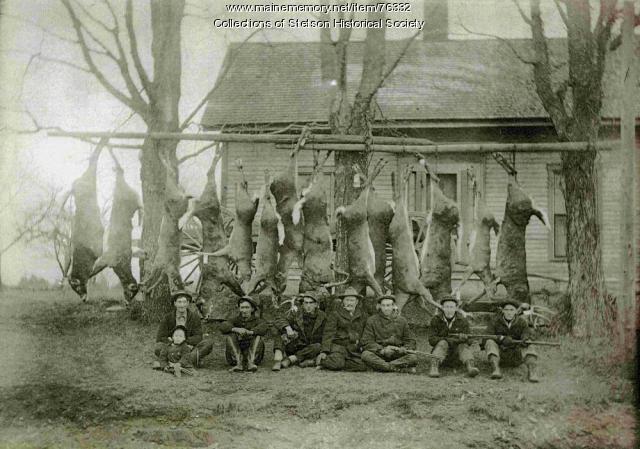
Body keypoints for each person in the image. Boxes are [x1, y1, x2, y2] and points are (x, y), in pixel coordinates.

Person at [153, 290, 213, 370]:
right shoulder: (167, 318)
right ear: (175, 303)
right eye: (179, 302)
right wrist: (172, 343)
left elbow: (198, 336)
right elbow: (160, 337)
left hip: (189, 348)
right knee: (158, 347)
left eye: (184, 302)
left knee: (208, 343)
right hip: (172, 348)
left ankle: (173, 362)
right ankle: (190, 361)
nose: (182, 305)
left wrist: (185, 342)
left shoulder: (194, 317)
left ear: (188, 303)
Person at [484, 299, 539, 382]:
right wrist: (501, 339)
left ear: (516, 311)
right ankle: (496, 370)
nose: (509, 312)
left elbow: (527, 333)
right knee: (489, 342)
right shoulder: (495, 321)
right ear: (502, 311)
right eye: (506, 310)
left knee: (530, 344)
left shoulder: (522, 322)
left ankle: (532, 373)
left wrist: (525, 338)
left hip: (516, 356)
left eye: (511, 310)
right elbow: (486, 337)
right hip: (500, 355)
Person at [361, 295, 418, 373]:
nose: (386, 308)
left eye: (388, 305)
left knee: (413, 357)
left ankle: (382, 367)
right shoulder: (371, 320)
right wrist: (382, 350)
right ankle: (398, 369)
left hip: (397, 355)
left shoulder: (402, 320)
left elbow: (410, 340)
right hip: (379, 354)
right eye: (383, 305)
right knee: (365, 355)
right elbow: (367, 341)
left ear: (393, 306)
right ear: (379, 306)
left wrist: (404, 349)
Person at [316, 288, 368, 372]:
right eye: (347, 300)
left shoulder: (362, 315)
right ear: (343, 301)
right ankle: (322, 361)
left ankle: (336, 363)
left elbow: (365, 333)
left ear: (357, 302)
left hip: (353, 349)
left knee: (362, 366)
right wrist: (324, 351)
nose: (349, 303)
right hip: (338, 347)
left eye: (352, 300)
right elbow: (328, 333)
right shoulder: (335, 314)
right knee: (338, 363)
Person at [272, 292, 327, 371]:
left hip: (310, 348)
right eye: (306, 303)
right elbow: (279, 319)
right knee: (281, 331)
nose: (308, 305)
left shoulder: (323, 316)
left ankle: (291, 359)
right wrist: (288, 328)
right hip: (295, 345)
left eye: (311, 303)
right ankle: (277, 360)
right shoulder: (296, 313)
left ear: (316, 304)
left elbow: (326, 333)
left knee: (318, 346)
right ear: (303, 304)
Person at [427, 295, 479, 378]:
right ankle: (434, 368)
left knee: (463, 345)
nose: (449, 310)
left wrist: (465, 338)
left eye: (451, 307)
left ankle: (470, 367)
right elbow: (431, 340)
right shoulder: (436, 320)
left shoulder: (463, 321)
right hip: (441, 356)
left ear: (455, 308)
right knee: (443, 342)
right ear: (442, 308)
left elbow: (470, 340)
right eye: (446, 307)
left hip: (458, 357)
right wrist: (448, 340)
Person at [220, 296, 269, 373]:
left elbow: (264, 327)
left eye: (247, 307)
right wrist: (236, 329)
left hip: (255, 357)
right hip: (234, 358)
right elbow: (223, 325)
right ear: (239, 309)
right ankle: (238, 363)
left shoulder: (258, 320)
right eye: (242, 308)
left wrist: (249, 332)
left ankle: (251, 363)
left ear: (252, 309)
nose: (244, 310)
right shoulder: (235, 320)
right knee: (230, 336)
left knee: (257, 336)